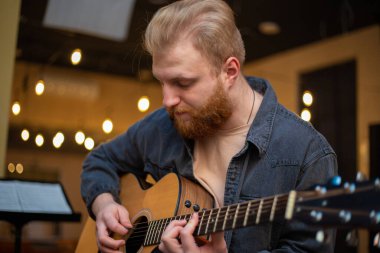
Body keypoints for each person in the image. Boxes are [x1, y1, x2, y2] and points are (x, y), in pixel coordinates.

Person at [81, 0, 338, 252]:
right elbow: (100, 160)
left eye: (183, 83)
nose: (167, 100)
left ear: (229, 71)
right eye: (162, 81)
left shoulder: (307, 153)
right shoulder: (161, 126)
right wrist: (103, 204)